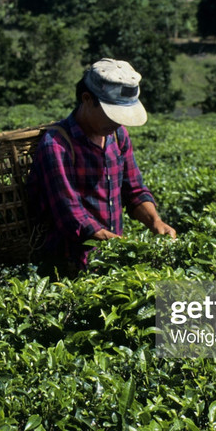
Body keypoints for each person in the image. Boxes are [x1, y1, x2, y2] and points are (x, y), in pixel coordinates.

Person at [26, 58, 176, 272]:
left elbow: (133, 190)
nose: (117, 122)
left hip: (109, 261)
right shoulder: (57, 145)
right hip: (68, 268)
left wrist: (155, 222)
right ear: (87, 99)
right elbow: (72, 217)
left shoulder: (118, 135)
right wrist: (122, 247)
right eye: (111, 114)